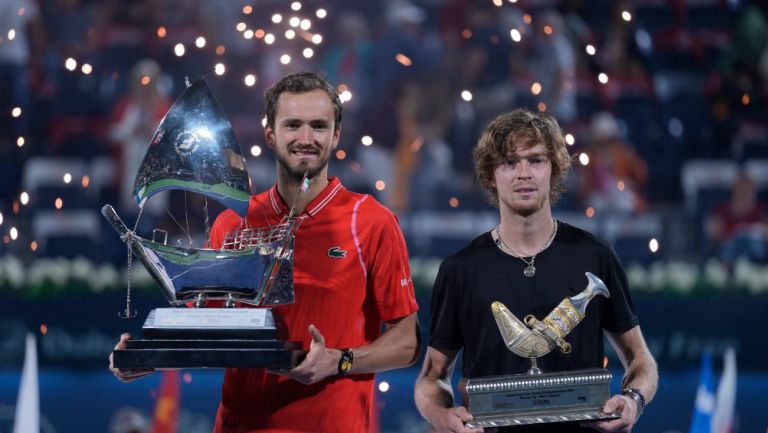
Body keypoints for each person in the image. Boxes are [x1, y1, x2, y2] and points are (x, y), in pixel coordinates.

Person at [110, 72, 421, 433]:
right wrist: (147, 352)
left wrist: (341, 361)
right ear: (270, 134)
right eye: (293, 125)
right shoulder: (231, 224)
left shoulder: (371, 221)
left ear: (336, 136)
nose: (306, 139)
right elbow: (209, 326)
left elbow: (409, 341)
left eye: (319, 127)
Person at [414, 109, 658, 433]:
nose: (524, 173)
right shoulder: (460, 270)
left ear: (554, 170)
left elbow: (641, 361)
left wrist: (633, 400)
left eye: (536, 160)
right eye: (510, 162)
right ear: (491, 174)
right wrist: (443, 417)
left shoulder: (596, 256)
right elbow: (432, 379)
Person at [705, 171, 767, 265]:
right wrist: (733, 233)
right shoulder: (721, 208)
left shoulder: (761, 209)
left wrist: (753, 230)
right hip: (729, 246)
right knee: (734, 242)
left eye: (747, 189)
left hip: (754, 248)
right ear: (734, 189)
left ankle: (754, 268)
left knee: (750, 241)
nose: (743, 191)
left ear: (753, 190)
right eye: (741, 189)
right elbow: (712, 232)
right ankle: (730, 268)